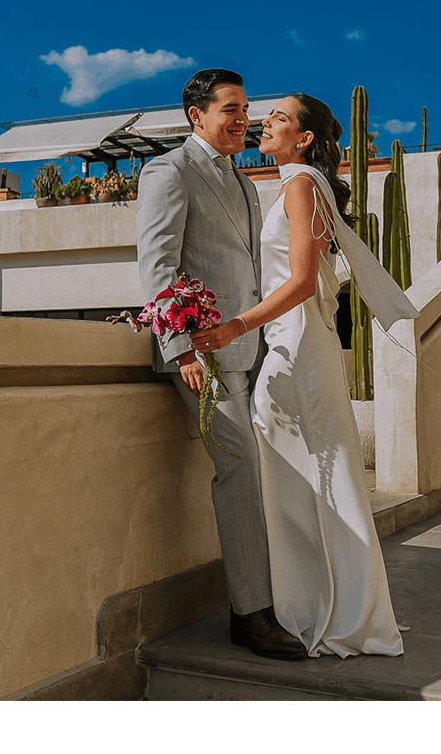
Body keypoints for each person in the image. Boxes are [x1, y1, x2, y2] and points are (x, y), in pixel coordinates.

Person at [190, 92, 415, 657]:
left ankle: (318, 606)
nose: (264, 123)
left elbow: (299, 280)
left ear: (305, 137)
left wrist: (233, 328)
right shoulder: (299, 184)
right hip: (292, 341)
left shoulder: (298, 186)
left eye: (279, 119)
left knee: (302, 470)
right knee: (303, 470)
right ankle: (318, 600)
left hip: (291, 346)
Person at [136, 69, 305, 659]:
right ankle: (250, 615)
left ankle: (268, 597)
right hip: (199, 359)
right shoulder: (167, 171)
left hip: (250, 352)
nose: (243, 119)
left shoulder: (243, 180)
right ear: (196, 115)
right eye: (230, 109)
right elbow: (157, 268)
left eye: (246, 109)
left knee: (265, 472)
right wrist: (180, 350)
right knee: (240, 471)